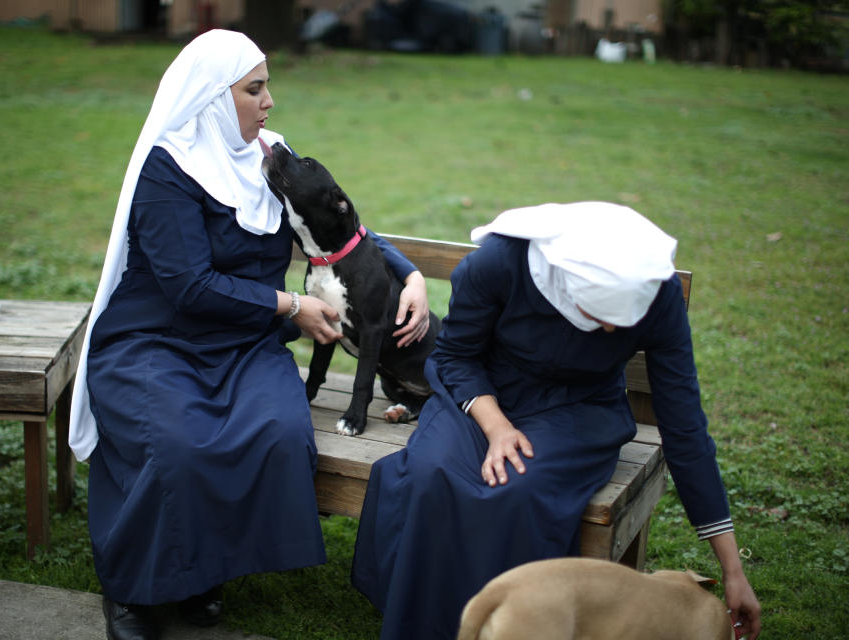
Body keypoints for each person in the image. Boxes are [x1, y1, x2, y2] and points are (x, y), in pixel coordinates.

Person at [68, 30, 431, 640]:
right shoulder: (169, 168)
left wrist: (409, 271)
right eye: (254, 89)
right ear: (214, 99)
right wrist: (289, 304)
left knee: (279, 432)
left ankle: (204, 573)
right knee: (176, 443)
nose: (269, 102)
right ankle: (135, 591)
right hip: (156, 339)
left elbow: (336, 221)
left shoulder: (267, 157)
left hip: (242, 344)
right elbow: (188, 286)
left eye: (267, 87)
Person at [351, 202, 762, 639]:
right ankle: (425, 626)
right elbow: (455, 357)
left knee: (517, 488)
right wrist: (497, 427)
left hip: (577, 410)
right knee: (432, 474)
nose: (610, 333)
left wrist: (733, 571)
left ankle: (516, 623)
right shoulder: (500, 263)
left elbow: (683, 424)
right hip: (482, 393)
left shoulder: (658, 295)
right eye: (601, 316)